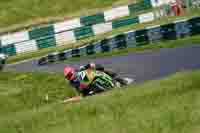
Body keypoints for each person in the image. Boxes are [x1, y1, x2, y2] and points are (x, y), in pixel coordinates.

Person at [63, 63, 128, 103]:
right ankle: (104, 88)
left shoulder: (80, 71)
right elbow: (81, 93)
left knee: (98, 67)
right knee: (87, 96)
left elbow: (91, 65)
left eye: (69, 75)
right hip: (90, 86)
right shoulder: (72, 83)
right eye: (67, 77)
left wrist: (90, 67)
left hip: (96, 77)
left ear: (73, 71)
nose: (69, 77)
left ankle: (111, 75)